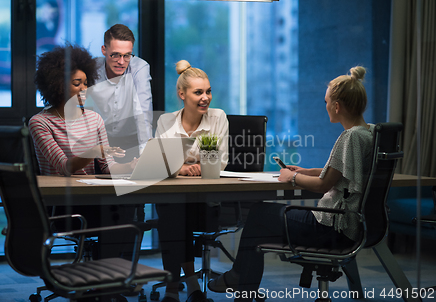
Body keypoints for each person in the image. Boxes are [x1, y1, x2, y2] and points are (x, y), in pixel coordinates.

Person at [207, 66, 374, 301]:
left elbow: (322, 185)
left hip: (332, 228)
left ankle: (240, 281)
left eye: (326, 102)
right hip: (351, 225)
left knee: (258, 214)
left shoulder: (349, 137)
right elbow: (341, 173)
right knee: (261, 224)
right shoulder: (368, 134)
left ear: (337, 106)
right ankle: (243, 284)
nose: (325, 106)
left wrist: (292, 177)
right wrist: (306, 170)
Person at [28, 43, 137, 259]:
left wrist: (131, 166)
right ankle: (107, 278)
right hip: (63, 204)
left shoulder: (94, 118)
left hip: (94, 196)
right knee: (120, 213)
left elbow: (107, 168)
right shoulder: (40, 122)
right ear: (57, 84)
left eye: (86, 83)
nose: (84, 89)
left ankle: (113, 276)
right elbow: (64, 167)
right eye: (77, 83)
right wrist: (94, 151)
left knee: (129, 206)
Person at [155, 60, 229, 302]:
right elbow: (160, 162)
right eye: (198, 92)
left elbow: (220, 161)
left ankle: (173, 286)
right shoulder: (166, 121)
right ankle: (190, 283)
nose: (205, 97)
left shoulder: (217, 118)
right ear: (182, 94)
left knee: (175, 211)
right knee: (173, 208)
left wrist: (185, 166)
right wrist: (183, 168)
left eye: (208, 91)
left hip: (207, 202)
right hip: (175, 201)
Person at [89, 23, 153, 163]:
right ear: (104, 50)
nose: (121, 62)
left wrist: (146, 153)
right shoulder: (92, 68)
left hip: (131, 142)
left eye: (127, 55)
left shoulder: (139, 68)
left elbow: (143, 111)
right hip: (99, 141)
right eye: (115, 55)